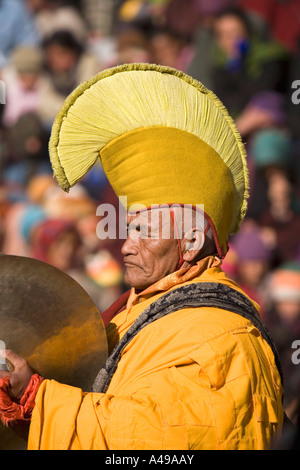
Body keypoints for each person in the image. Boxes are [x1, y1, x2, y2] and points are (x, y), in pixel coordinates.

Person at [0, 63, 284, 450]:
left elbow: (144, 443)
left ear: (193, 239)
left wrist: (38, 397)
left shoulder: (223, 341)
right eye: (128, 228)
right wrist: (26, 397)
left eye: (144, 231)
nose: (126, 245)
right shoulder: (140, 308)